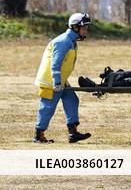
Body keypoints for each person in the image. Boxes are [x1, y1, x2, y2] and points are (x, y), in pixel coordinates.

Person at [33, 12, 93, 144]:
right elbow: (55, 64)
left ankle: (73, 133)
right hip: (51, 81)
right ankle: (39, 135)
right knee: (48, 107)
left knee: (72, 100)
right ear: (75, 27)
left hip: (61, 80)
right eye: (84, 27)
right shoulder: (63, 41)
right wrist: (57, 82)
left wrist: (62, 81)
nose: (86, 30)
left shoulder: (71, 41)